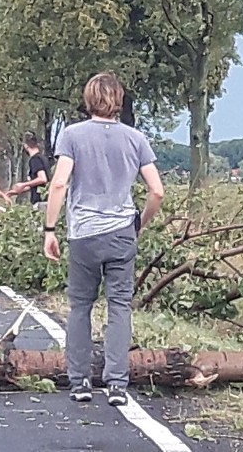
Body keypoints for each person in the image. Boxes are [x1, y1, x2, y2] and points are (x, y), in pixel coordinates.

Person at [42, 72, 164, 406]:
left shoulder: (72, 135)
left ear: (88, 99)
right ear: (118, 101)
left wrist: (49, 229)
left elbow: (58, 184)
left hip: (84, 233)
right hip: (122, 231)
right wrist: (140, 223)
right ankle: (117, 385)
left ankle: (79, 381)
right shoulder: (136, 139)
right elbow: (157, 190)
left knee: (80, 306)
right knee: (119, 306)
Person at [7, 134, 51, 208]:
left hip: (40, 201)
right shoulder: (43, 158)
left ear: (26, 146)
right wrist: (18, 191)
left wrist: (23, 184)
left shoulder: (35, 159)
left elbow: (42, 179)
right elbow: (37, 184)